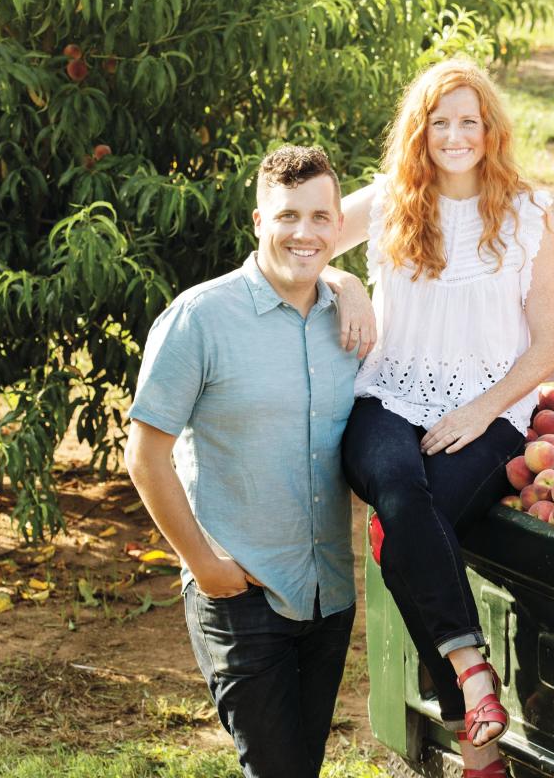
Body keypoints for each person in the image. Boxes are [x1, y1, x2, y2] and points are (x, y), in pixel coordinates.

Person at [333, 59, 554, 777]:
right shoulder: (388, 201)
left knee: (399, 538)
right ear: (420, 131)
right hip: (390, 398)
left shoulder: (528, 211)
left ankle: (479, 752)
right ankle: (473, 676)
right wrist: (343, 280)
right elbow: (296, 245)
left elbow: (550, 342)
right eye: (440, 122)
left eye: (469, 120)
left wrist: (481, 408)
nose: (456, 134)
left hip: (493, 411)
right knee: (400, 493)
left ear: (490, 129)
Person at [125, 145, 374, 778]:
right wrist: (203, 565)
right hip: (239, 591)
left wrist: (351, 284)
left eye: (320, 217)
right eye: (287, 215)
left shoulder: (345, 321)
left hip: (329, 594)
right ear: (259, 221)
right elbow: (145, 456)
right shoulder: (200, 319)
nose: (304, 232)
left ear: (338, 227)